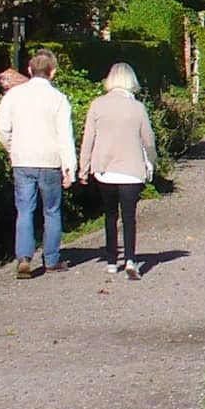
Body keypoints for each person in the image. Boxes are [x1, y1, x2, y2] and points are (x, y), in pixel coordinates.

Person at [0, 50, 76, 278]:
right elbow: (65, 136)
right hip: (50, 161)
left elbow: (1, 127)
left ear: (29, 70)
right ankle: (51, 259)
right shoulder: (58, 99)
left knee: (24, 210)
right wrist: (69, 168)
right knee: (51, 211)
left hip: (23, 160)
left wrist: (12, 147)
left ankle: (24, 257)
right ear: (53, 72)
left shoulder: (14, 95)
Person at [79, 62, 159, 281]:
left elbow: (88, 140)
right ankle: (131, 259)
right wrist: (152, 160)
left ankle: (112, 260)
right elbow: (148, 140)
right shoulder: (137, 108)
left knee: (110, 214)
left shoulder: (97, 105)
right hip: (131, 170)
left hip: (104, 170)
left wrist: (83, 168)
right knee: (129, 216)